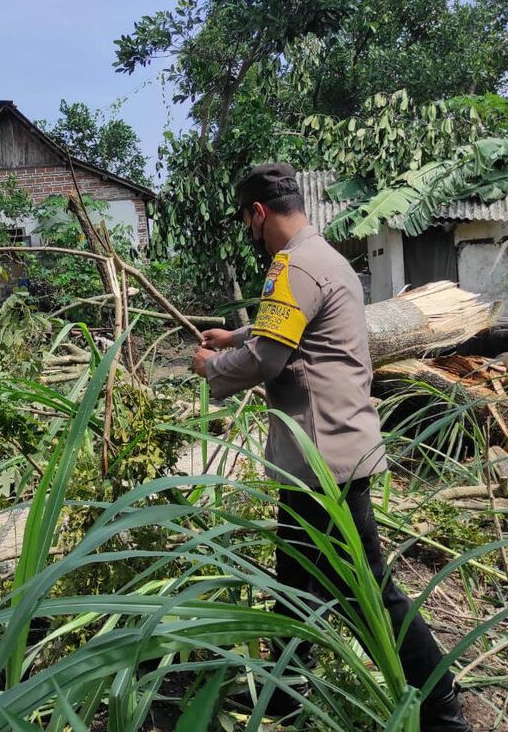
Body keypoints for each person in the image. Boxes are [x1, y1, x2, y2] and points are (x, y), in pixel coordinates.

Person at [190, 163, 471, 731]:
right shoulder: (326, 258)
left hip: (324, 460)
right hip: (331, 452)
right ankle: (288, 698)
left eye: (247, 220)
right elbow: (283, 327)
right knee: (294, 585)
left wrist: (212, 365)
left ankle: (443, 706)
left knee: (368, 589)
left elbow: (268, 358)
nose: (249, 230)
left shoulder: (290, 266)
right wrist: (235, 335)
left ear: (258, 213)